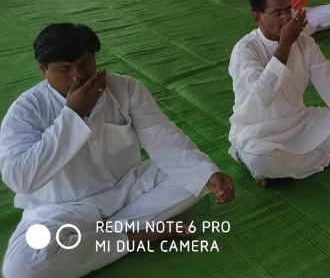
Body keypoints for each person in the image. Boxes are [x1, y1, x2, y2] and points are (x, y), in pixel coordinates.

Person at [0, 23, 235, 278]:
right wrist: (73, 115)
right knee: (21, 269)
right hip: (61, 209)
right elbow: (20, 178)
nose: (78, 76)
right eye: (64, 69)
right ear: (43, 70)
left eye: (85, 63)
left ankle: (96, 239)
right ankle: (137, 235)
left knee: (196, 176)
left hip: (128, 189)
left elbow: (163, 137)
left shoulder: (126, 88)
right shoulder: (26, 110)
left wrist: (207, 174)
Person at [228, 0, 330, 183]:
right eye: (277, 13)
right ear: (257, 17)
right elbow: (262, 96)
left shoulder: (304, 42)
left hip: (298, 121)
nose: (286, 18)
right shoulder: (245, 49)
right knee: (260, 160)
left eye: (288, 10)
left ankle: (292, 162)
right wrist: (285, 44)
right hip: (259, 130)